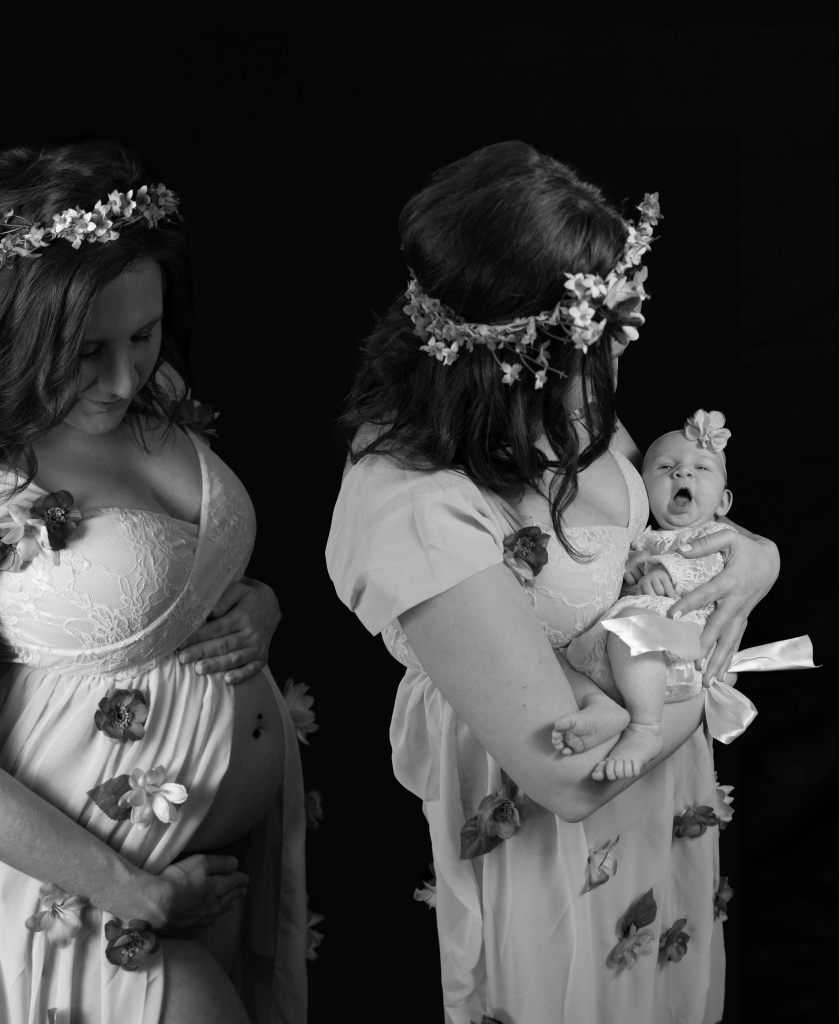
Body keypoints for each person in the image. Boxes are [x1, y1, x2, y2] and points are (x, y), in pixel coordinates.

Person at [0, 141, 307, 1024]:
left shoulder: (151, 402)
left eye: (144, 335)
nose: (125, 377)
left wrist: (261, 605)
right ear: (11, 330)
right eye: (89, 349)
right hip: (82, 892)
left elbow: (171, 576)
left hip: (206, 876)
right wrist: (135, 891)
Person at [325, 141, 779, 1024]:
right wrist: (702, 666)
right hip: (550, 841)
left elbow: (651, 542)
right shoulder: (416, 504)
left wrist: (755, 556)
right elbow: (569, 775)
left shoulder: (565, 408)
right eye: (600, 337)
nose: (616, 358)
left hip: (659, 799)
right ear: (521, 351)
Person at [552, 409, 737, 781]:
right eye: (666, 467)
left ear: (723, 503)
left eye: (701, 468)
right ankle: (603, 708)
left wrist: (665, 570)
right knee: (577, 649)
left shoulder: (715, 538)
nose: (682, 474)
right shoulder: (641, 538)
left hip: (679, 653)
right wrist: (631, 561)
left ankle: (646, 727)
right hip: (624, 661)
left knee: (632, 630)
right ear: (641, 489)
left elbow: (710, 568)